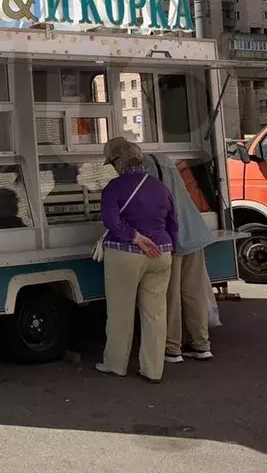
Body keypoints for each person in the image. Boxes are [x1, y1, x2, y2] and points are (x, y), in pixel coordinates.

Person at [96, 138, 178, 384]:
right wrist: (168, 248)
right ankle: (153, 370)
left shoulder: (114, 187)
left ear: (119, 161)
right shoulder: (160, 187)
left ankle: (115, 364)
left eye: (112, 162)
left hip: (125, 254)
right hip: (161, 253)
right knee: (155, 313)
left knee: (120, 312)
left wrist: (134, 237)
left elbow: (110, 220)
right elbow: (173, 222)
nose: (112, 167)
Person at [142, 150, 215, 363]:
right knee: (194, 292)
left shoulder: (148, 169)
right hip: (194, 233)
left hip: (172, 239)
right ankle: (201, 344)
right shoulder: (169, 166)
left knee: (170, 295)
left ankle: (172, 347)